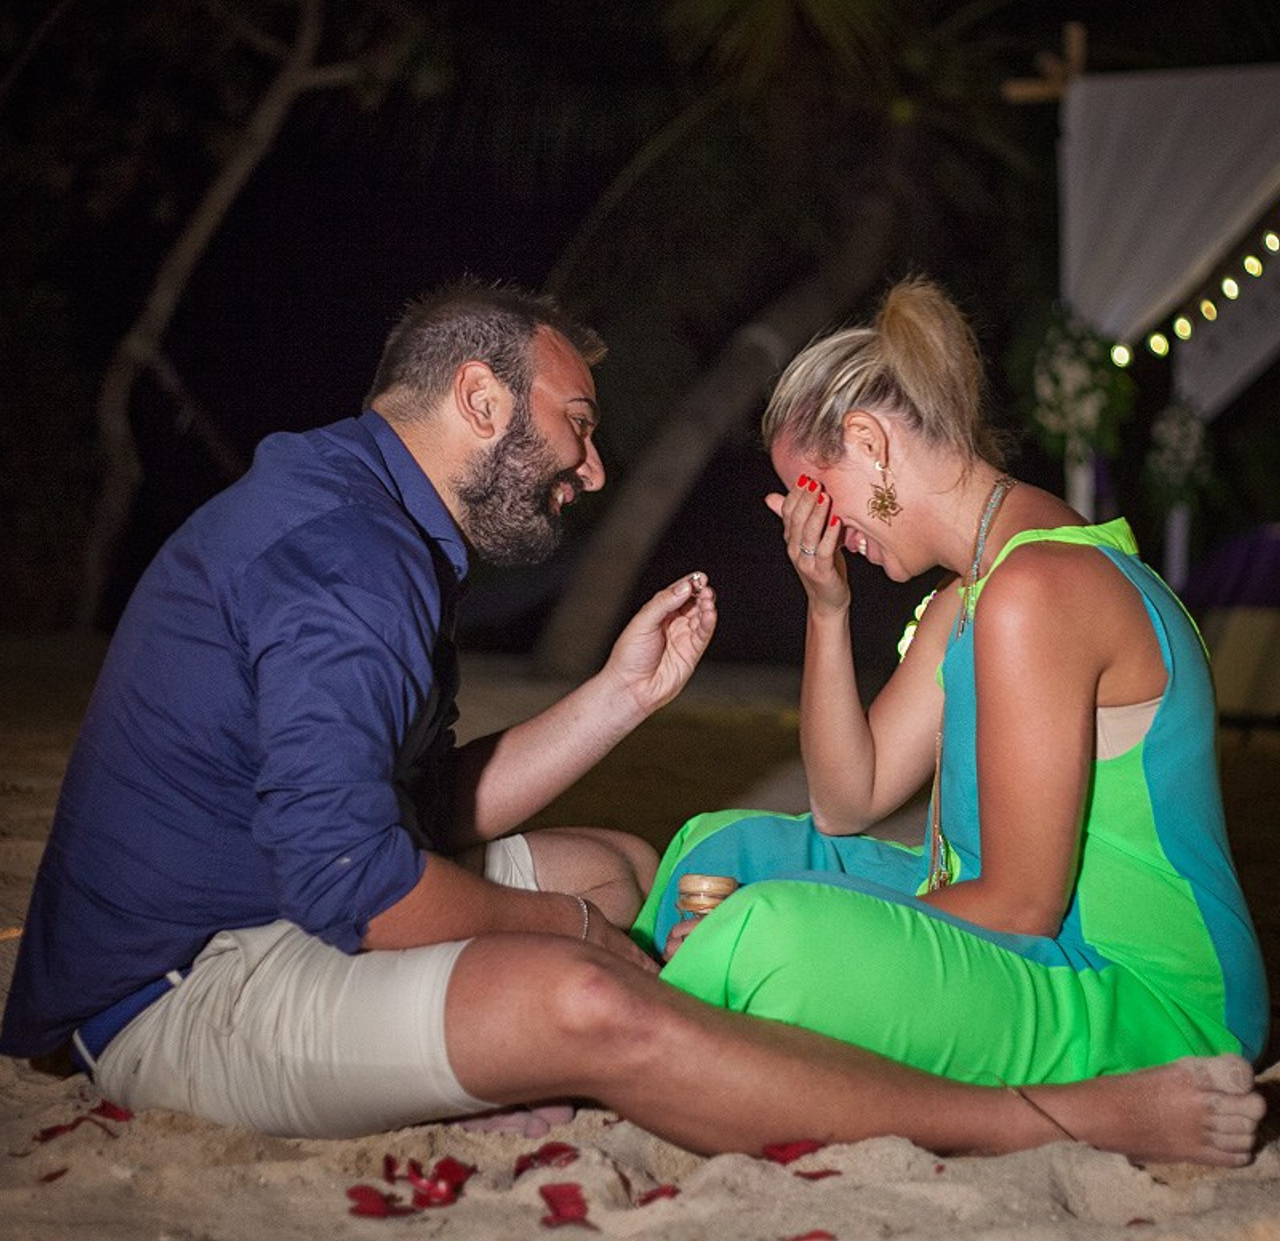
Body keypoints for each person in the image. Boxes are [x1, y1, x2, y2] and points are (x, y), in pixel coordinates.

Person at [0, 281, 1264, 1168]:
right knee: (674, 901)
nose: (593, 467)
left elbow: (409, 812)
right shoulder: (351, 555)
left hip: (1101, 972)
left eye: (809, 491)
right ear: (481, 400)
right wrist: (582, 938)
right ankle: (717, 1039)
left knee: (672, 895)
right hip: (199, 966)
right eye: (579, 423)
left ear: (869, 445)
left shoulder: (1022, 591)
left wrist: (621, 702)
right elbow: (358, 874)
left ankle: (686, 1022)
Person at [635, 278, 1269, 1095]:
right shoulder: (968, 596)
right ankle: (680, 1006)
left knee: (770, 933)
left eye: (812, 495)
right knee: (720, 849)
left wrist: (804, 928)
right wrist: (827, 606)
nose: (816, 526)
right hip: (1012, 934)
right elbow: (846, 802)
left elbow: (1022, 906)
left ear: (868, 441)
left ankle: (655, 1025)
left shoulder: (1039, 590)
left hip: (1144, 995)